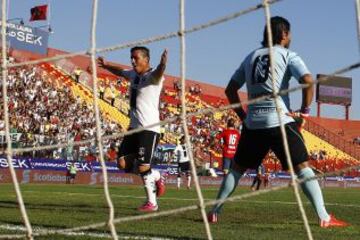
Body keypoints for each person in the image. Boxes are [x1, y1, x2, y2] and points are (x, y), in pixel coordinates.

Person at [207, 16, 349, 228]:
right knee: (303, 167)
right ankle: (324, 217)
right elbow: (309, 82)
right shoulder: (288, 55)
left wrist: (243, 117)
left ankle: (214, 211)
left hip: (254, 123)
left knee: (236, 169)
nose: (290, 37)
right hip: (280, 121)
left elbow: (230, 90)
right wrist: (305, 112)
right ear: (284, 34)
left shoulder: (250, 57)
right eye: (289, 33)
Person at [98, 46, 168, 212]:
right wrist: (107, 65)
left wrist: (163, 65)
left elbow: (159, 72)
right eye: (131, 57)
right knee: (122, 163)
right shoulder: (133, 74)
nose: (132, 60)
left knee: (143, 167)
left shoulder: (153, 77)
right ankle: (156, 176)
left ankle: (152, 203)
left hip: (148, 129)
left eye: (136, 57)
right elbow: (120, 71)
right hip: (133, 128)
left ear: (145, 59)